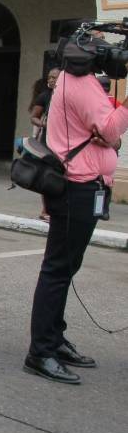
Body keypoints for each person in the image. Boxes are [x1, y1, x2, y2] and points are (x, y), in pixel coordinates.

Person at [24, 66, 127, 385]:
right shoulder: (79, 82)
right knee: (58, 269)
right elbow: (111, 130)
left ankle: (54, 339)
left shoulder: (82, 83)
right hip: (77, 187)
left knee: (65, 268)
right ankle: (41, 351)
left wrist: (108, 136)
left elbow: (110, 137)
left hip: (87, 185)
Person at [30, 67, 61, 221]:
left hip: (64, 143)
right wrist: (44, 124)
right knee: (48, 176)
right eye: (49, 77)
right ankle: (45, 210)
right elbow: (34, 117)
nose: (51, 80)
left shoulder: (67, 95)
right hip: (47, 143)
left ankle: (57, 209)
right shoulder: (44, 96)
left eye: (54, 77)